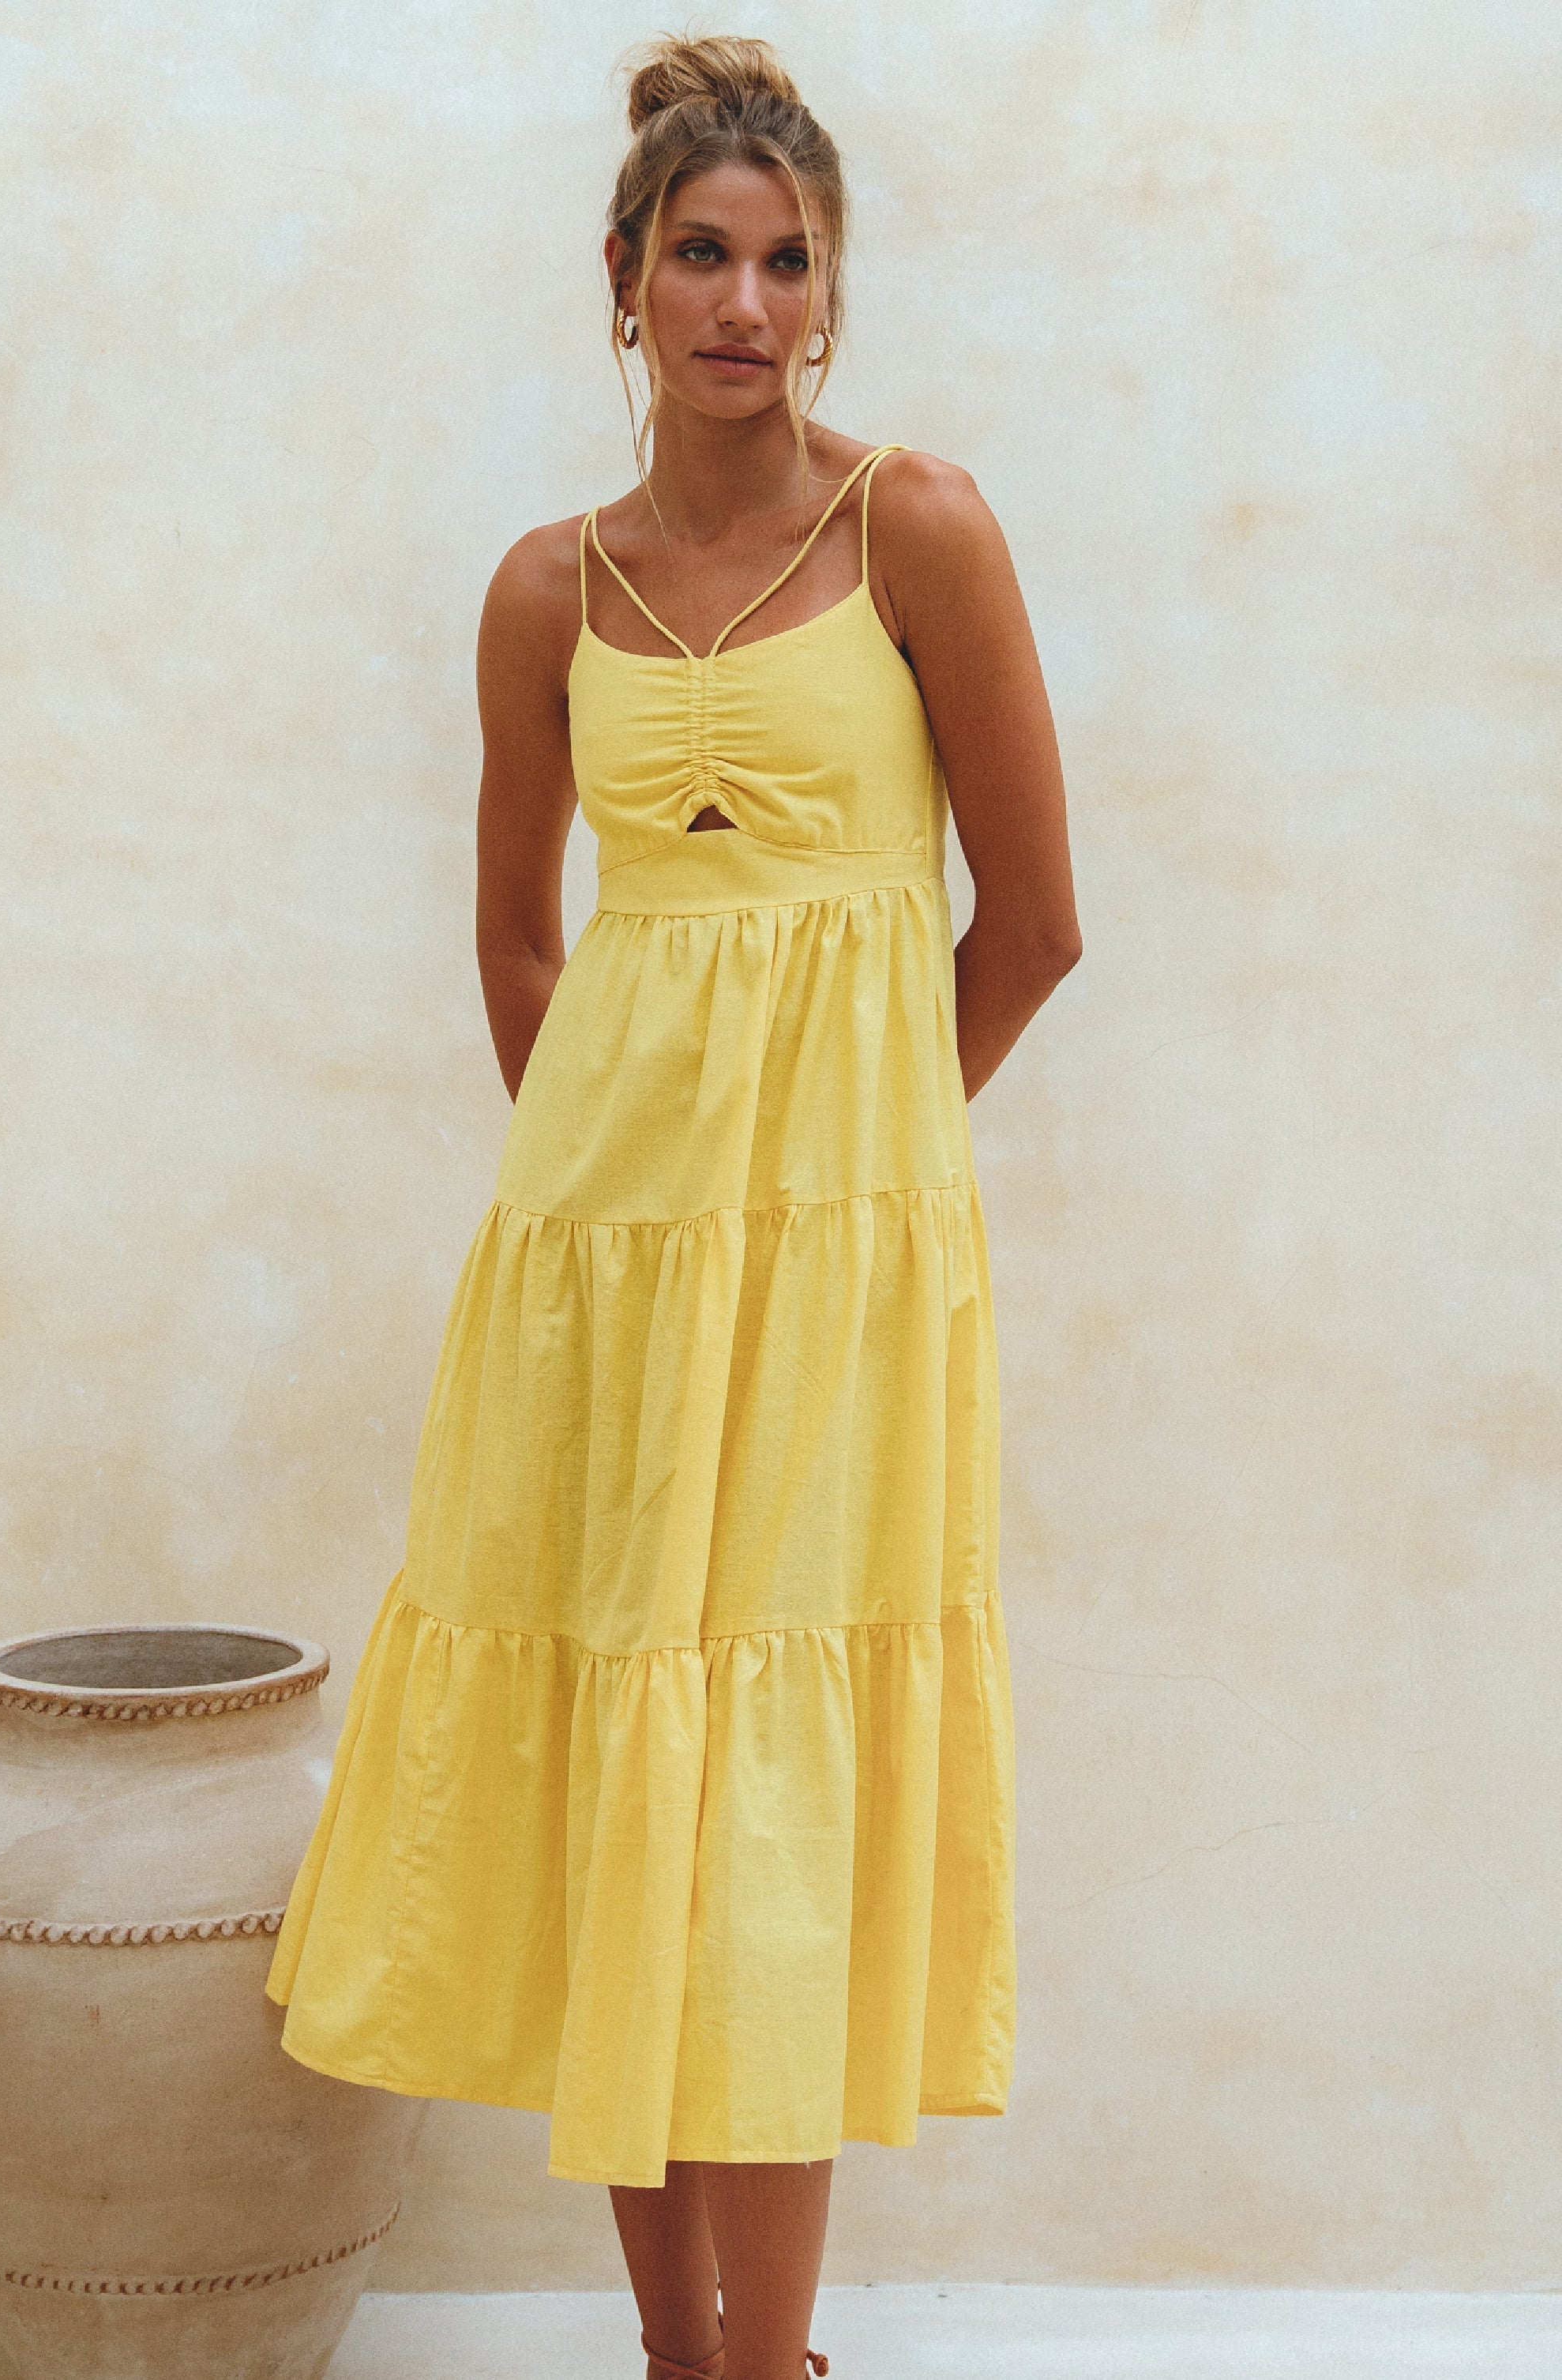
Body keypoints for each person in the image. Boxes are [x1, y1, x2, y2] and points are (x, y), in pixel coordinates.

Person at [265, 31, 1080, 2380]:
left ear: (830, 293)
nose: (746, 302)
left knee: (772, 1797)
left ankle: (774, 2364)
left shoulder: (920, 530)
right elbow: (521, 941)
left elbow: (1031, 926)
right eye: (702, 256)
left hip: (841, 1268)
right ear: (621, 278)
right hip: (595, 1267)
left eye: (788, 262)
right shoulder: (551, 587)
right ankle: (676, 2359)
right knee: (626, 1745)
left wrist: (850, 1189)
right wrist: (614, 1204)